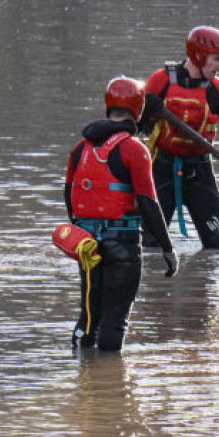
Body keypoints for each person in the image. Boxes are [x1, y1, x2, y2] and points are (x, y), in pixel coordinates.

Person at [64, 76, 178, 351]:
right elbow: (149, 203)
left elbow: (69, 195)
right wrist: (167, 248)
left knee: (88, 316)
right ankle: (109, 385)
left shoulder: (80, 148)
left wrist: (81, 231)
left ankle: (82, 372)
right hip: (123, 245)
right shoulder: (133, 149)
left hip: (86, 245)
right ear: (138, 110)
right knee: (114, 321)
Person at [138, 25, 219, 249]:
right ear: (198, 56)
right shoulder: (160, 81)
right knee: (149, 248)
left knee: (216, 247)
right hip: (161, 169)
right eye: (217, 59)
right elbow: (136, 129)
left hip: (200, 172)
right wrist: (147, 112)